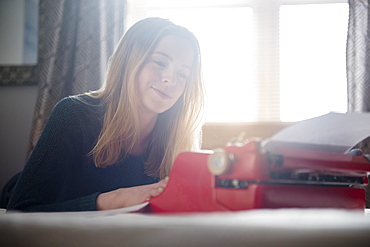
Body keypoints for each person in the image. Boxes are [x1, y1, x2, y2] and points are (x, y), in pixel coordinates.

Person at [7, 17, 205, 212]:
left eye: (182, 74)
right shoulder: (73, 114)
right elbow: (19, 212)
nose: (170, 79)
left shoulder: (177, 140)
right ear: (129, 61)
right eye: (160, 63)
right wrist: (113, 200)